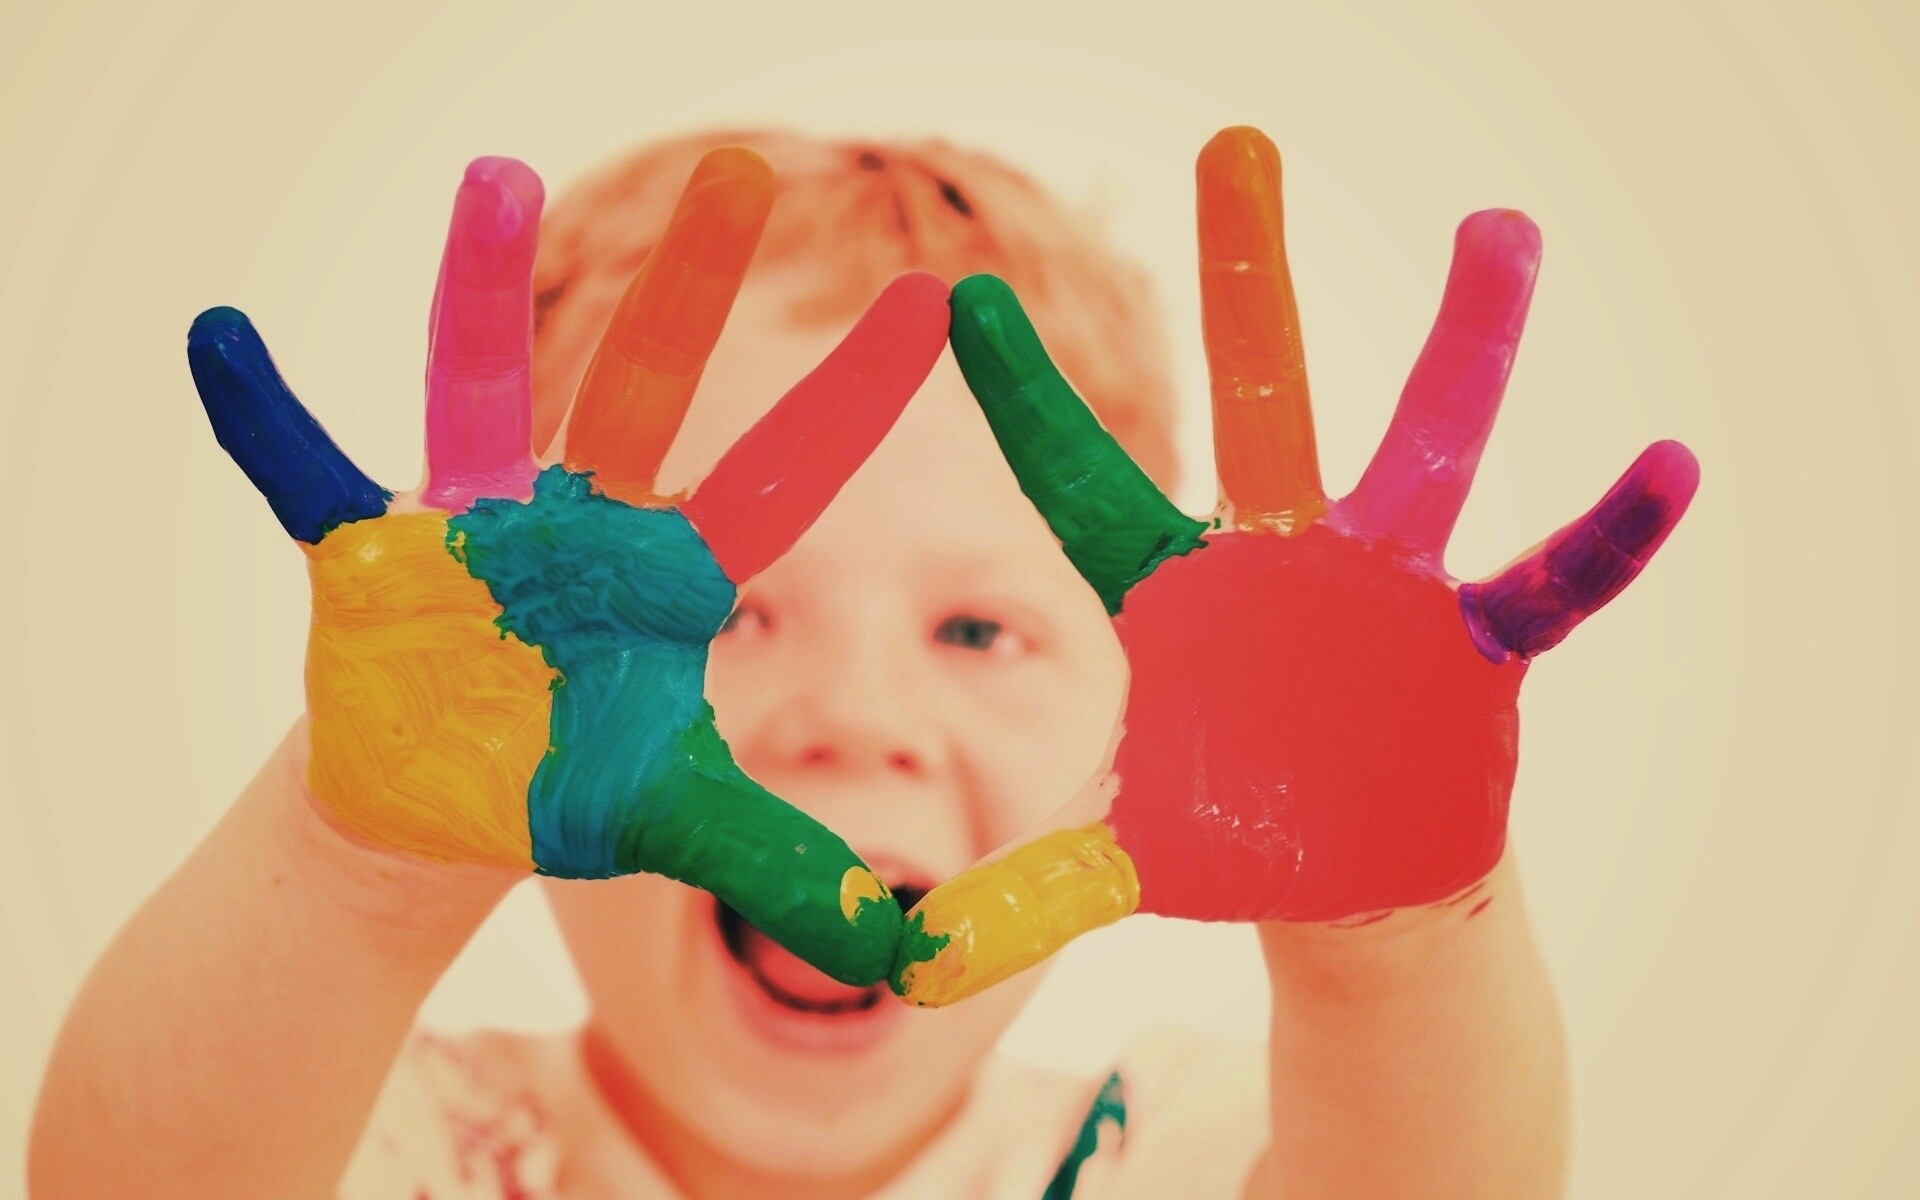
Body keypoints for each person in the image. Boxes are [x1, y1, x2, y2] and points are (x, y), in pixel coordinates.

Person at [27, 126, 1661, 1199]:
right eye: (725, 614)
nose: (859, 720)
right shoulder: (394, 1141)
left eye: (979, 630)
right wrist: (359, 869)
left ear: (1131, 715)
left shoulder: (1158, 1154)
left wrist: (1395, 935)